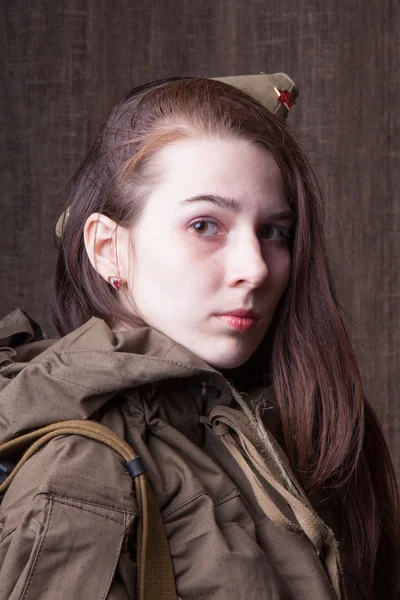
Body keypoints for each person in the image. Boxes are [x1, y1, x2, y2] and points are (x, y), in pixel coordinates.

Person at [0, 73, 398, 600]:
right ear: (106, 249)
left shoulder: (285, 422)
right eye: (205, 226)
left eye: (272, 231)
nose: (256, 268)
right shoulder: (81, 469)